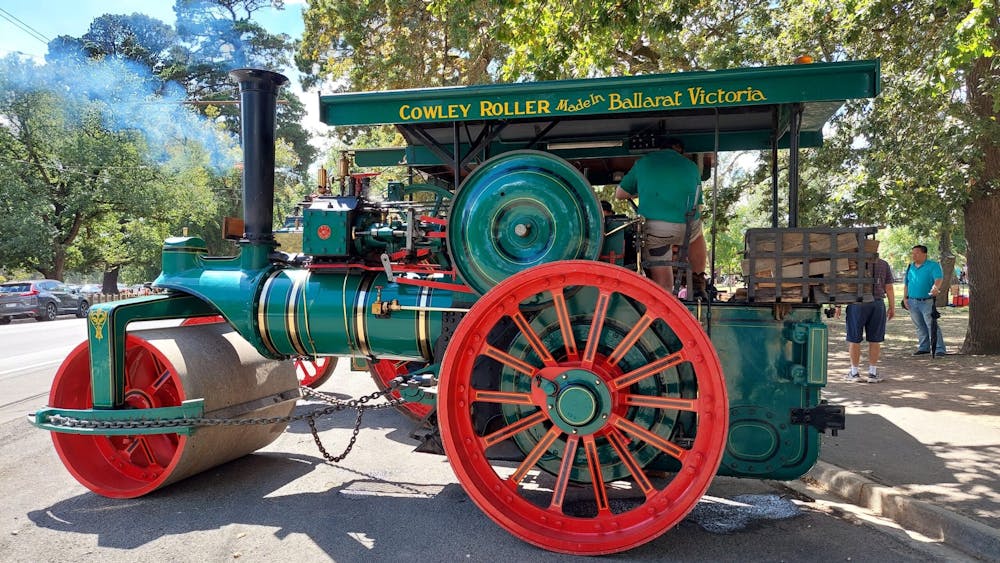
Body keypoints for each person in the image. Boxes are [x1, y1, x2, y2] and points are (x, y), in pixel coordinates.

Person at [615, 138, 706, 297]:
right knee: (697, 235)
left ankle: (665, 296)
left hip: (656, 231)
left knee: (661, 267)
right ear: (680, 150)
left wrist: (641, 191)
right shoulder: (691, 166)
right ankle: (698, 280)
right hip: (687, 228)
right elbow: (698, 206)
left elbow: (620, 194)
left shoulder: (643, 163)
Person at [843, 257, 895, 383]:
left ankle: (854, 372)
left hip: (857, 302)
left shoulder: (853, 262)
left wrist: (838, 305)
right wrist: (892, 307)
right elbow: (889, 287)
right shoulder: (883, 264)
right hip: (877, 303)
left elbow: (843, 285)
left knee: (854, 339)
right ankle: (872, 373)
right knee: (875, 339)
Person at [903, 244, 946, 356]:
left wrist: (935, 287)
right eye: (913, 253)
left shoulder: (933, 265)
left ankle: (939, 349)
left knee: (932, 325)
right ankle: (924, 347)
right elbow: (906, 284)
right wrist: (905, 298)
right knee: (919, 326)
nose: (914, 255)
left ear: (924, 254)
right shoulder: (910, 267)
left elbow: (939, 278)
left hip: (927, 301)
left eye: (916, 253)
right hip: (912, 301)